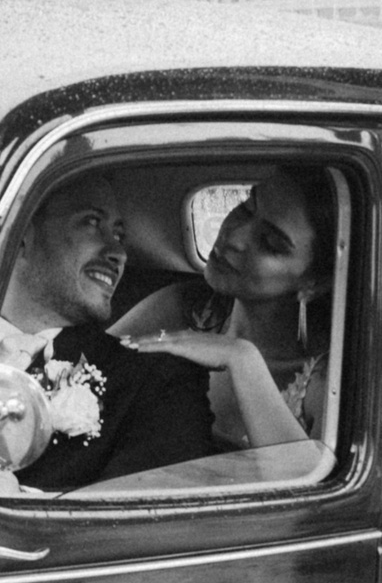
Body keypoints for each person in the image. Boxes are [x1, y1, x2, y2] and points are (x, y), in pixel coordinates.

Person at [0, 175, 216, 492]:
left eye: (119, 235)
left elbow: (142, 522)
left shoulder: (156, 380)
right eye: (92, 223)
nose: (119, 253)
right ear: (21, 234)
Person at [113, 166, 335, 450]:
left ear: (313, 282)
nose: (235, 237)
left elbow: (307, 485)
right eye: (245, 209)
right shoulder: (184, 308)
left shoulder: (322, 382)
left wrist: (242, 358)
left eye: (270, 243)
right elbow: (80, 370)